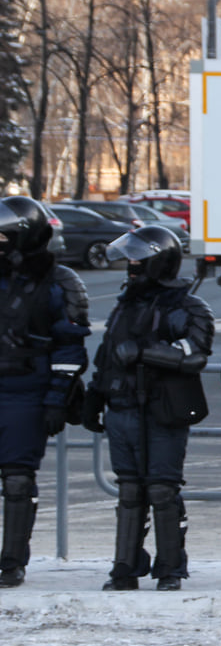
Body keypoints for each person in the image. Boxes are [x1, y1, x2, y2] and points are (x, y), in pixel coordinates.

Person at [84, 226, 214, 591]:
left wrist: (147, 353)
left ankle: (170, 569)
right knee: (130, 491)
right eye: (130, 259)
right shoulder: (125, 304)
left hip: (163, 411)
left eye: (139, 259)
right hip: (122, 408)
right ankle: (124, 568)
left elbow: (196, 354)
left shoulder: (188, 305)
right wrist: (95, 396)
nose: (132, 265)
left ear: (159, 261)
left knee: (162, 489)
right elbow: (107, 356)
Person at [0, 196, 89, 588]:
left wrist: (56, 398)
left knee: (18, 480)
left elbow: (70, 347)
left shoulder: (60, 281)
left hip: (27, 391)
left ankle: (11, 562)